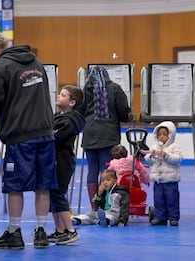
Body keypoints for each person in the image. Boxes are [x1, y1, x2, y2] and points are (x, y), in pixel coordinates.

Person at [0, 30, 57, 249]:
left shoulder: (1, 66)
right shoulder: (36, 60)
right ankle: (41, 232)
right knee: (43, 185)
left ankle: (14, 232)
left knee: (15, 186)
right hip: (45, 132)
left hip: (20, 134)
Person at [79, 66, 130, 212]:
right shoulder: (115, 88)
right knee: (106, 170)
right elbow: (123, 112)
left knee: (92, 170)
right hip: (109, 135)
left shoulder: (84, 91)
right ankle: (107, 206)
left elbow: (79, 112)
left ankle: (95, 207)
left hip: (89, 135)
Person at [47, 85, 85, 245]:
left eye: (63, 95)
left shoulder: (69, 122)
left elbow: (53, 138)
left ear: (72, 102)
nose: (58, 96)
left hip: (61, 161)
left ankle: (70, 230)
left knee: (58, 193)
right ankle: (60, 230)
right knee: (52, 195)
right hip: (54, 160)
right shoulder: (58, 117)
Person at [144, 121, 183, 226]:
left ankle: (173, 218)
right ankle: (160, 217)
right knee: (158, 200)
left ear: (170, 135)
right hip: (158, 180)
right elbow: (148, 160)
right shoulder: (154, 147)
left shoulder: (174, 147)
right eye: (159, 134)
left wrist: (166, 155)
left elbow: (178, 159)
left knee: (172, 200)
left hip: (170, 180)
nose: (161, 137)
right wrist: (150, 156)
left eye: (164, 134)